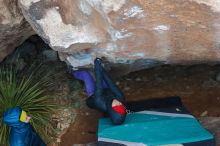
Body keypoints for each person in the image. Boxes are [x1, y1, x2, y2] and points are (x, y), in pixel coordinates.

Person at [73, 58, 126, 125]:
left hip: (94, 95)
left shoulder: (100, 102)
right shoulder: (120, 98)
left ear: (111, 109)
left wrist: (97, 65)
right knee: (103, 75)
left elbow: (98, 84)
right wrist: (100, 66)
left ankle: (73, 72)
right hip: (107, 91)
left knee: (86, 74)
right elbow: (112, 84)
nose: (118, 103)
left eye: (116, 106)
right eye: (121, 105)